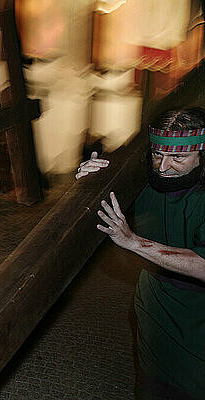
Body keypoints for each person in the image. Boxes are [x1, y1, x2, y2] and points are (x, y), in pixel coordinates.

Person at [76, 108, 205, 400]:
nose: (162, 167)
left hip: (198, 316)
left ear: (201, 156)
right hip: (155, 306)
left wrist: (134, 242)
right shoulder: (145, 178)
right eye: (158, 155)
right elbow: (98, 215)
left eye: (178, 158)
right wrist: (89, 180)